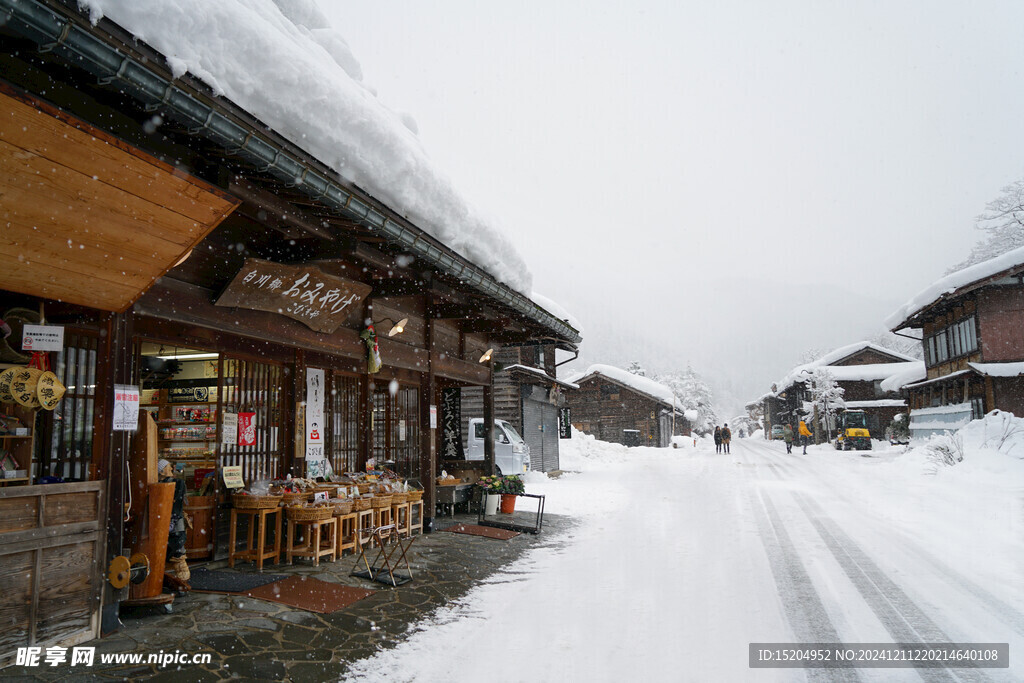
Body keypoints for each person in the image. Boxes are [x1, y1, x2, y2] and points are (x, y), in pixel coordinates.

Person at [158, 459, 190, 582]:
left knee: (176, 545)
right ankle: (181, 577)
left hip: (167, 517)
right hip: (173, 518)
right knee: (177, 545)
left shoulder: (175, 483)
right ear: (161, 471)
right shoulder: (177, 483)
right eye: (168, 467)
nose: (171, 468)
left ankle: (180, 577)